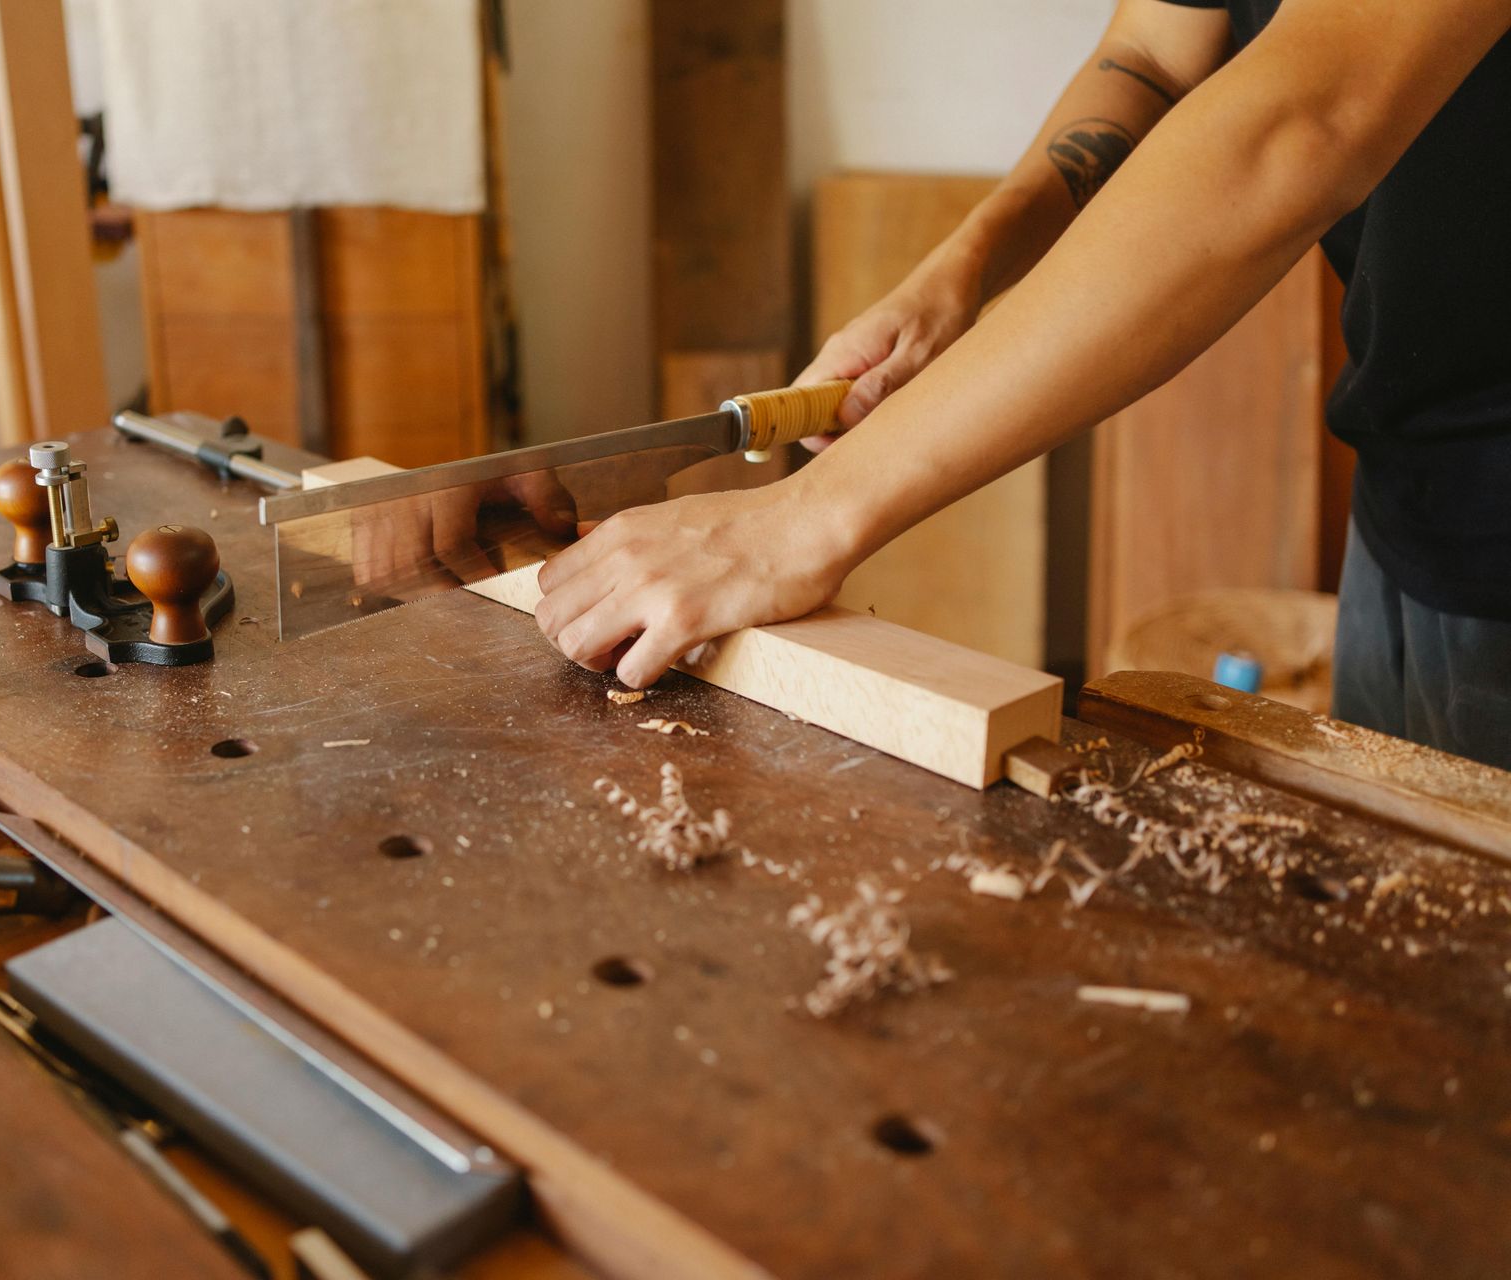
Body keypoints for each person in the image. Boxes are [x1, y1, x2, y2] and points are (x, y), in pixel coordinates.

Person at [532, 0, 1511, 769]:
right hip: (1410, 490)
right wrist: (963, 272)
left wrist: (801, 520)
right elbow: (1159, 57)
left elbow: (1303, 122)